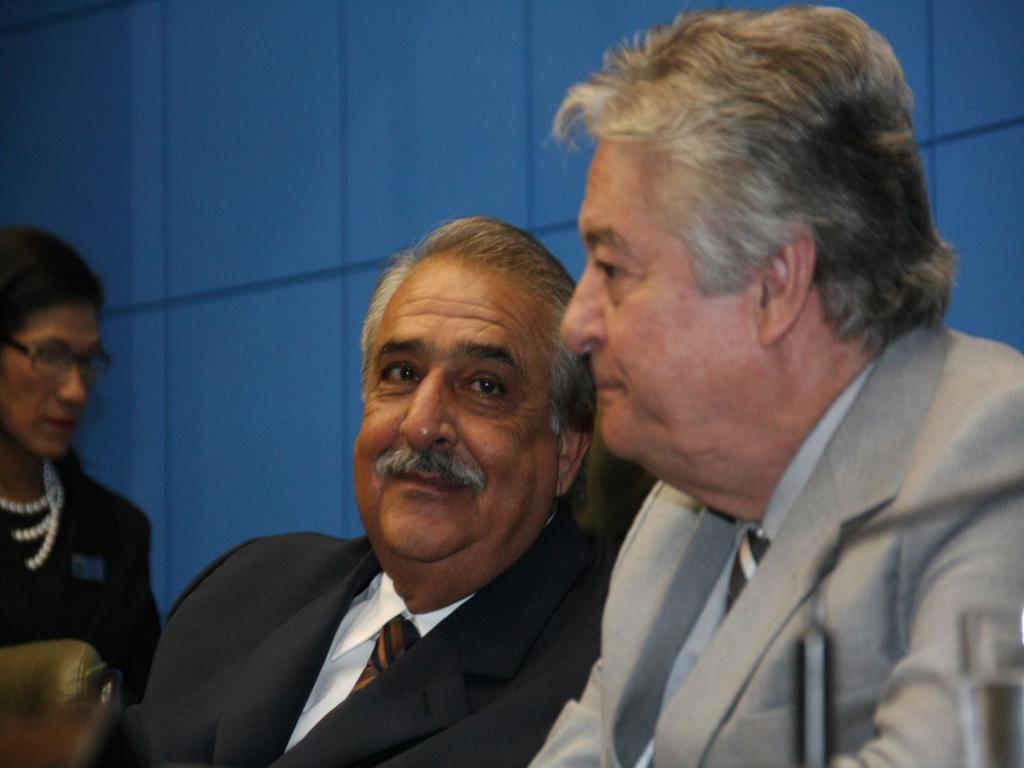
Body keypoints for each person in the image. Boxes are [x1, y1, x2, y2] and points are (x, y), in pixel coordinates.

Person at [531, 6, 1024, 768]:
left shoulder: (995, 461)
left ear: (775, 286)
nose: (577, 324)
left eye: (614, 268)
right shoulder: (678, 505)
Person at [128, 216, 614, 767]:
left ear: (568, 450)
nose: (421, 425)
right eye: (402, 373)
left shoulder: (610, 672)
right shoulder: (237, 591)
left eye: (485, 386)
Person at [0, 226, 161, 703]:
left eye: (87, 361)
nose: (75, 390)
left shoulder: (118, 531)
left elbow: (150, 712)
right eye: (51, 356)